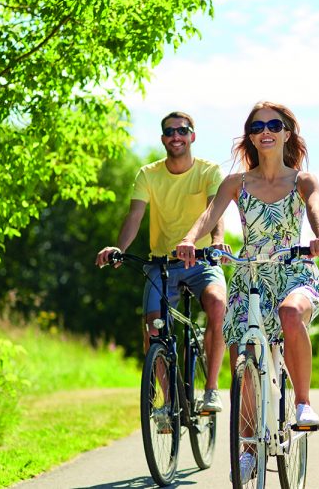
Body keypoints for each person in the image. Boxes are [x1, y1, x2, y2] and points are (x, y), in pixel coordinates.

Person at [175, 101, 319, 430]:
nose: (266, 132)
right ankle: (246, 446)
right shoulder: (236, 182)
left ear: (287, 134)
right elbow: (208, 215)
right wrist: (189, 240)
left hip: (293, 268)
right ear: (251, 137)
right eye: (257, 128)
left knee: (291, 313)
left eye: (273, 126)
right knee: (243, 352)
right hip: (251, 273)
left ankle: (303, 403)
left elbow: (315, 208)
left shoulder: (302, 180)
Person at [95, 111, 229, 412]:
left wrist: (217, 242)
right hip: (162, 265)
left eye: (182, 130)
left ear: (192, 136)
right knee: (153, 329)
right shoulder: (148, 174)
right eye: (169, 132)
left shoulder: (209, 172)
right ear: (163, 139)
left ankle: (211, 390)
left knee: (218, 306)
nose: (176, 136)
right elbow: (134, 216)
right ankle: (168, 403)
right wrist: (118, 247)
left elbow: (214, 213)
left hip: (202, 261)